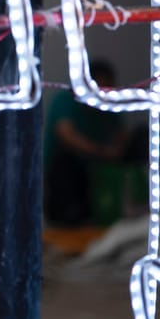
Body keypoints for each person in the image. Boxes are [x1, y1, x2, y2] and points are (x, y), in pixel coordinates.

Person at [43, 60, 129, 227]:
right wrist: (102, 151)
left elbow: (122, 135)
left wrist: (116, 151)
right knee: (66, 162)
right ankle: (67, 220)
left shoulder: (108, 107)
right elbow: (66, 135)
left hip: (98, 170)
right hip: (69, 171)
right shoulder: (65, 100)